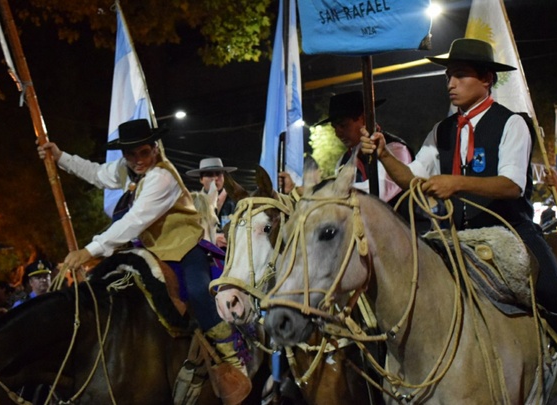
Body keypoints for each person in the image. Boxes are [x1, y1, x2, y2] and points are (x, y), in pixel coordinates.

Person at [360, 38, 557, 340]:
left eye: (460, 75)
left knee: (553, 291)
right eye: (448, 76)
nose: (450, 83)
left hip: (511, 230)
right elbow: (411, 179)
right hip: (454, 235)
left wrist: (456, 182)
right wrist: (383, 154)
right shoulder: (441, 130)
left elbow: (511, 186)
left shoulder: (512, 124)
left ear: (487, 79)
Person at [38, 119, 249, 401]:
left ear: (154, 149)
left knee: (200, 291)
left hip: (187, 248)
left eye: (143, 153)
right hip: (152, 251)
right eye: (131, 154)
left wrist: (89, 251)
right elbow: (99, 174)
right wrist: (61, 157)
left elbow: (134, 221)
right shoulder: (129, 169)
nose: (137, 160)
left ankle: (232, 358)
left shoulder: (162, 177)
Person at [280, 90, 413, 207]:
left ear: (364, 119)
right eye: (334, 128)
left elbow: (378, 192)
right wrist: (296, 190)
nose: (338, 133)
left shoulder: (395, 150)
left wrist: (314, 191)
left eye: (343, 125)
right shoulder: (344, 160)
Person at [186, 157, 238, 249]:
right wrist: (214, 238)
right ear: (201, 179)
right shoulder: (192, 203)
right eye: (209, 175)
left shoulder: (236, 201)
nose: (215, 178)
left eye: (219, 174)